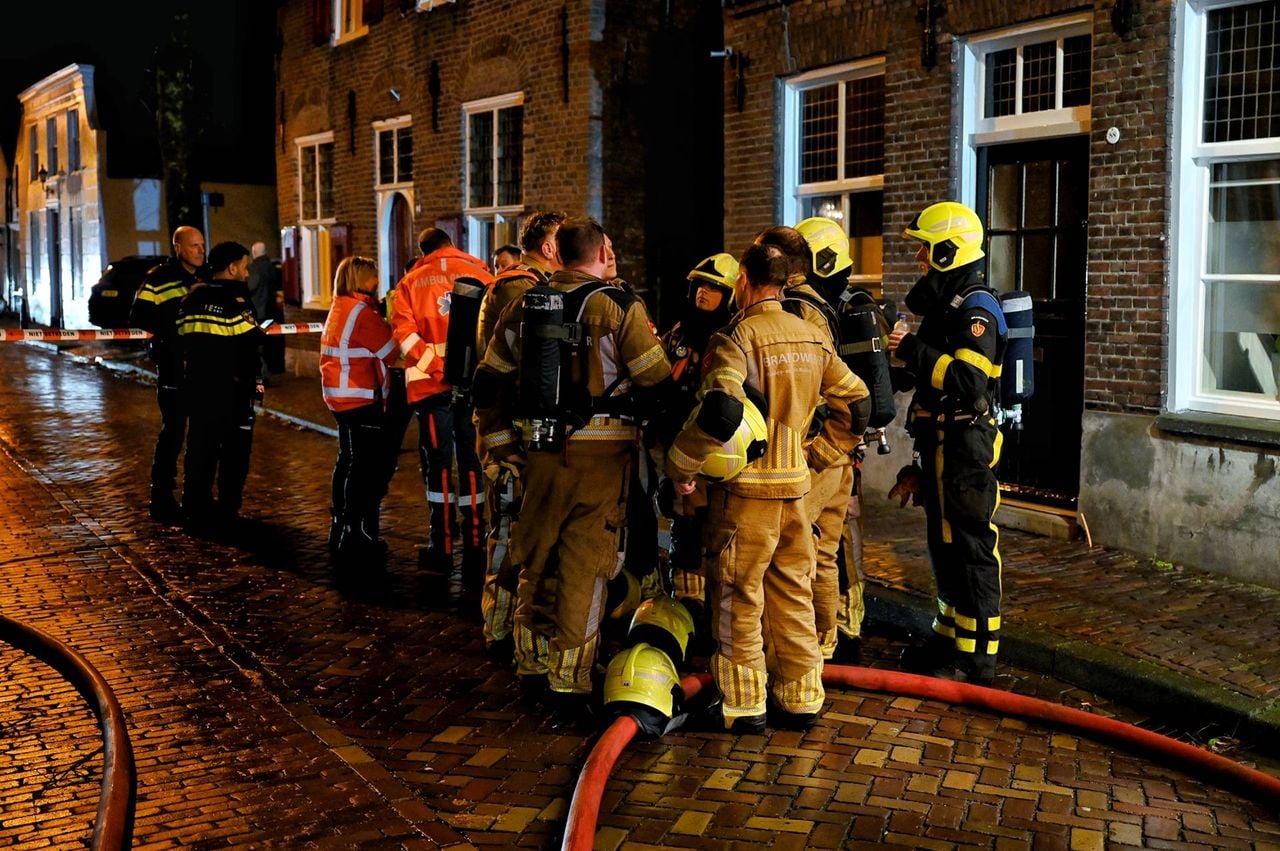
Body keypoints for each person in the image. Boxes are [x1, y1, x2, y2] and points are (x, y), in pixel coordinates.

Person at [472, 217, 672, 719]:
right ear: (601, 251)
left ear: (556, 254)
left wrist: (502, 450)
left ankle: (530, 661)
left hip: (537, 458)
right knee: (587, 568)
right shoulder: (618, 306)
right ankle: (569, 678)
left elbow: (488, 382)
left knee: (536, 559)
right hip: (601, 463)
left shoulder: (523, 305)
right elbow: (655, 379)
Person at [665, 242, 868, 733]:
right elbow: (858, 404)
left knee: (738, 594)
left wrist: (682, 463)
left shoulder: (736, 337)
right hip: (796, 491)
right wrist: (816, 455)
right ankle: (800, 698)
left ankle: (743, 703)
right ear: (784, 282)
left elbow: (721, 409)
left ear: (744, 281)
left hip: (746, 495)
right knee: (793, 593)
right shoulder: (812, 335)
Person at [887, 201, 1006, 686]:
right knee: (944, 543)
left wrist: (912, 348)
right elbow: (930, 375)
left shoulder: (976, 308)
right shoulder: (948, 306)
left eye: (926, 248)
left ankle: (978, 657)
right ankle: (948, 637)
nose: (919, 257)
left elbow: (969, 381)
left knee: (971, 545)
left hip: (965, 444)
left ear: (948, 251)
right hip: (940, 441)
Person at [757, 225, 866, 666]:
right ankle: (825, 646)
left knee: (794, 558)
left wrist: (814, 452)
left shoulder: (792, 312)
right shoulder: (821, 306)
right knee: (823, 553)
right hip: (833, 452)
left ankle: (799, 658)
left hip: (807, 453)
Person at [474, 210, 565, 662]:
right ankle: (498, 626)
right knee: (509, 533)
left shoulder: (525, 284)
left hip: (513, 430)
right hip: (507, 434)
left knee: (518, 531)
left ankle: (508, 623)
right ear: (548, 247)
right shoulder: (521, 290)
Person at [391, 228, 495, 575]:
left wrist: (437, 368)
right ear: (451, 244)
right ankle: (477, 544)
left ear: (423, 251)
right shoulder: (483, 274)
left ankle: (443, 544)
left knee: (438, 465)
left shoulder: (410, 283)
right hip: (472, 386)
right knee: (471, 462)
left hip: (431, 390)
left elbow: (405, 336)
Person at [659, 253, 738, 625]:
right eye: (700, 286)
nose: (704, 293)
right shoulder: (679, 332)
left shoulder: (733, 337)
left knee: (716, 532)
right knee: (684, 526)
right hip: (680, 445)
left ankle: (716, 610)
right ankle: (688, 603)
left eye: (714, 288)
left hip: (720, 452)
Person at [178, 241, 265, 532]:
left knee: (199, 448)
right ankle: (228, 508)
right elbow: (250, 343)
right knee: (234, 453)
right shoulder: (236, 300)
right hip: (232, 390)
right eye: (244, 267)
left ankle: (194, 506)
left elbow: (180, 337)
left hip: (197, 386)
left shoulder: (192, 297)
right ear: (231, 268)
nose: (247, 273)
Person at [320, 256, 400, 562]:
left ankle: (339, 525)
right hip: (359, 397)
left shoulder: (340, 306)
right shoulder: (362, 313)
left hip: (338, 396)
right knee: (364, 467)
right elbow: (391, 351)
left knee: (346, 460)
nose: (378, 280)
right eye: (373, 276)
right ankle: (356, 531)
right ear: (363, 279)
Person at [131, 225, 207, 523]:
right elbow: (138, 317)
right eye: (194, 246)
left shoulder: (205, 278)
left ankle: (195, 495)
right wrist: (168, 337)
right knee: (173, 432)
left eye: (202, 245)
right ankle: (161, 496)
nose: (200, 251)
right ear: (178, 248)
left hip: (202, 367)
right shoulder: (158, 279)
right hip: (174, 367)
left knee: (200, 435)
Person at [247, 241, 285, 375]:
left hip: (258, 312)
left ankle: (262, 373)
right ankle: (275, 368)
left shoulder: (253, 269)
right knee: (272, 342)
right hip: (272, 312)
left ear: (254, 253)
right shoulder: (274, 267)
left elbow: (251, 287)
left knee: (258, 343)